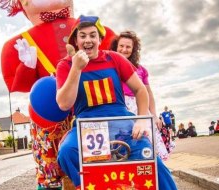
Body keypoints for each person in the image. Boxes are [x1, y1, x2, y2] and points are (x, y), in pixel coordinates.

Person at [56, 15, 177, 189]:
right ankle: (92, 185)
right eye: (82, 36)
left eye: (92, 35)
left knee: (151, 159)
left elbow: (140, 89)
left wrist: (142, 119)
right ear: (76, 40)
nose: (88, 40)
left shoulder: (114, 59)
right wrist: (76, 69)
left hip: (123, 125)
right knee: (67, 152)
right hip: (87, 128)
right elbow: (64, 104)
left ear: (100, 39)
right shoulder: (66, 65)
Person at [110, 30, 169, 161]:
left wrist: (153, 114)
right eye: (121, 46)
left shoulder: (141, 69)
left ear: (133, 49)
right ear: (115, 47)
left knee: (148, 144)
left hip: (140, 108)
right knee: (122, 146)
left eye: (128, 47)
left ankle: (155, 174)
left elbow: (148, 93)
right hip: (119, 108)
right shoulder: (109, 67)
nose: (124, 49)